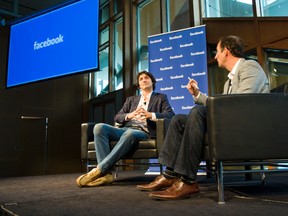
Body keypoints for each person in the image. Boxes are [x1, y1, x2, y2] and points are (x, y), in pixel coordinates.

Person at [137, 35, 270, 200]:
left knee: (198, 111)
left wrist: (203, 100)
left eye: (217, 52)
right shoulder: (228, 83)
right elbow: (223, 106)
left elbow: (240, 103)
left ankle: (188, 181)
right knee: (178, 120)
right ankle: (170, 174)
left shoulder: (250, 66)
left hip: (246, 126)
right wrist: (197, 94)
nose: (215, 56)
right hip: (230, 122)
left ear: (226, 51)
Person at [76, 70, 175, 187]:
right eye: (141, 79)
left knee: (130, 134)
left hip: (143, 132)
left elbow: (170, 115)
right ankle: (107, 174)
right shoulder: (131, 100)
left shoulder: (161, 97)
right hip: (125, 128)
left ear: (152, 81)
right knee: (99, 127)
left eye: (146, 77)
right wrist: (129, 115)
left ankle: (100, 169)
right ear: (139, 85)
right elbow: (118, 116)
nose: (144, 80)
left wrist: (151, 115)